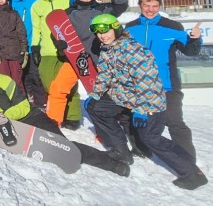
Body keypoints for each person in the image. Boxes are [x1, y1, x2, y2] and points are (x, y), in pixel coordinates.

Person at [85, 15, 207, 189]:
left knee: (150, 137)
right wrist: (96, 95)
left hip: (149, 100)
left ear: (116, 28)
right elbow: (105, 74)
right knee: (96, 108)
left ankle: (192, 173)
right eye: (98, 32)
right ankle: (121, 151)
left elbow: (146, 82)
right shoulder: (108, 48)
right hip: (125, 95)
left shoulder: (132, 50)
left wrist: (142, 110)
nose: (102, 36)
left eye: (106, 31)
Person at [0, 55, 131, 178]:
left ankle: (114, 164)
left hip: (31, 118)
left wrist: (5, 115)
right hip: (8, 127)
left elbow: (23, 105)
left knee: (64, 147)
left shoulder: (2, 80)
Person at [125, 0, 202, 160]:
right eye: (146, 6)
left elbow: (190, 51)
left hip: (167, 84)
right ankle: (141, 149)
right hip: (138, 84)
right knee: (137, 119)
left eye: (154, 6)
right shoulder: (130, 28)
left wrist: (195, 39)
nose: (150, 10)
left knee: (174, 121)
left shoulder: (173, 26)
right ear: (140, 5)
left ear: (159, 7)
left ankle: (187, 159)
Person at [48, 0, 129, 128]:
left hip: (101, 60)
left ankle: (109, 129)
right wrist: (58, 43)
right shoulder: (67, 13)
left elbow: (122, 3)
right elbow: (56, 31)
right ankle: (53, 126)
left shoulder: (103, 10)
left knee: (106, 96)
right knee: (58, 89)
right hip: (76, 59)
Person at [29, 0, 77, 127]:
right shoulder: (36, 6)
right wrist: (35, 46)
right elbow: (36, 28)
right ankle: (57, 113)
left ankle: (73, 115)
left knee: (70, 84)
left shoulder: (67, 0)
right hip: (48, 51)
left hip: (68, 50)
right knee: (49, 84)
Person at [9, 0, 45, 107]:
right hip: (16, 45)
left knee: (35, 74)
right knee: (20, 75)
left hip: (32, 42)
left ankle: (41, 102)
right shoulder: (9, 0)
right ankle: (25, 100)